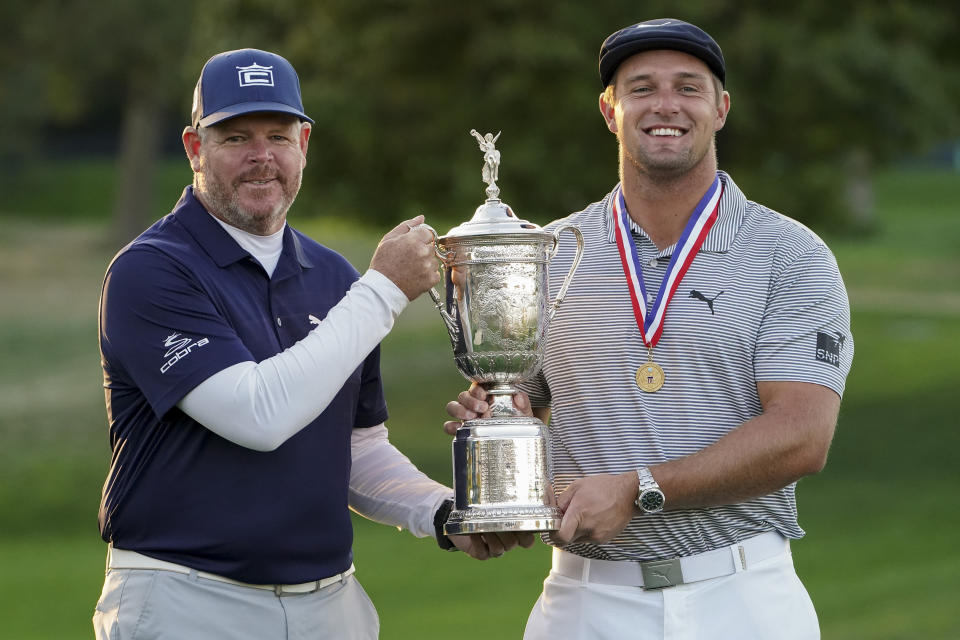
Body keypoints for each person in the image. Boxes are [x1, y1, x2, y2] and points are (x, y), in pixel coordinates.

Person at [94, 48, 530, 640]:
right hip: (186, 600)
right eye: (235, 137)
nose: (261, 157)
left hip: (330, 602)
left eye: (278, 135)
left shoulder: (332, 277)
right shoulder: (151, 271)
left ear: (305, 145)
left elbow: (352, 450)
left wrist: (444, 512)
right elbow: (259, 414)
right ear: (195, 149)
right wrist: (382, 292)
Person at [444, 18, 853, 639]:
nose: (666, 105)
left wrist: (641, 491)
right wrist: (498, 432)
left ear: (722, 108)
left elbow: (802, 435)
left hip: (742, 594)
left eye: (689, 87)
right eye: (642, 88)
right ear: (610, 110)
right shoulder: (551, 252)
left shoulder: (789, 253)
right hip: (587, 599)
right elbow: (522, 402)